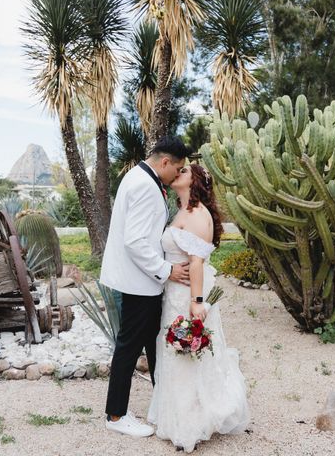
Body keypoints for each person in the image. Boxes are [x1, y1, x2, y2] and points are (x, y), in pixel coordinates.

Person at [148, 164, 250, 452]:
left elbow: (196, 263)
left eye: (185, 170)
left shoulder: (196, 214)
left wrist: (196, 303)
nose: (178, 171)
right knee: (177, 355)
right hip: (174, 292)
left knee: (185, 354)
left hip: (185, 296)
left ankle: (190, 423)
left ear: (196, 181)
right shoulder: (183, 211)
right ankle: (181, 414)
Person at [101, 137, 193, 437]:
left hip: (142, 281)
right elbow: (136, 241)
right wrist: (166, 270)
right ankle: (116, 416)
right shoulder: (144, 184)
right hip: (139, 281)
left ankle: (162, 405)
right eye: (177, 169)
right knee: (129, 346)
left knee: (154, 346)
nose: (177, 175)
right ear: (164, 162)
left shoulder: (138, 176)